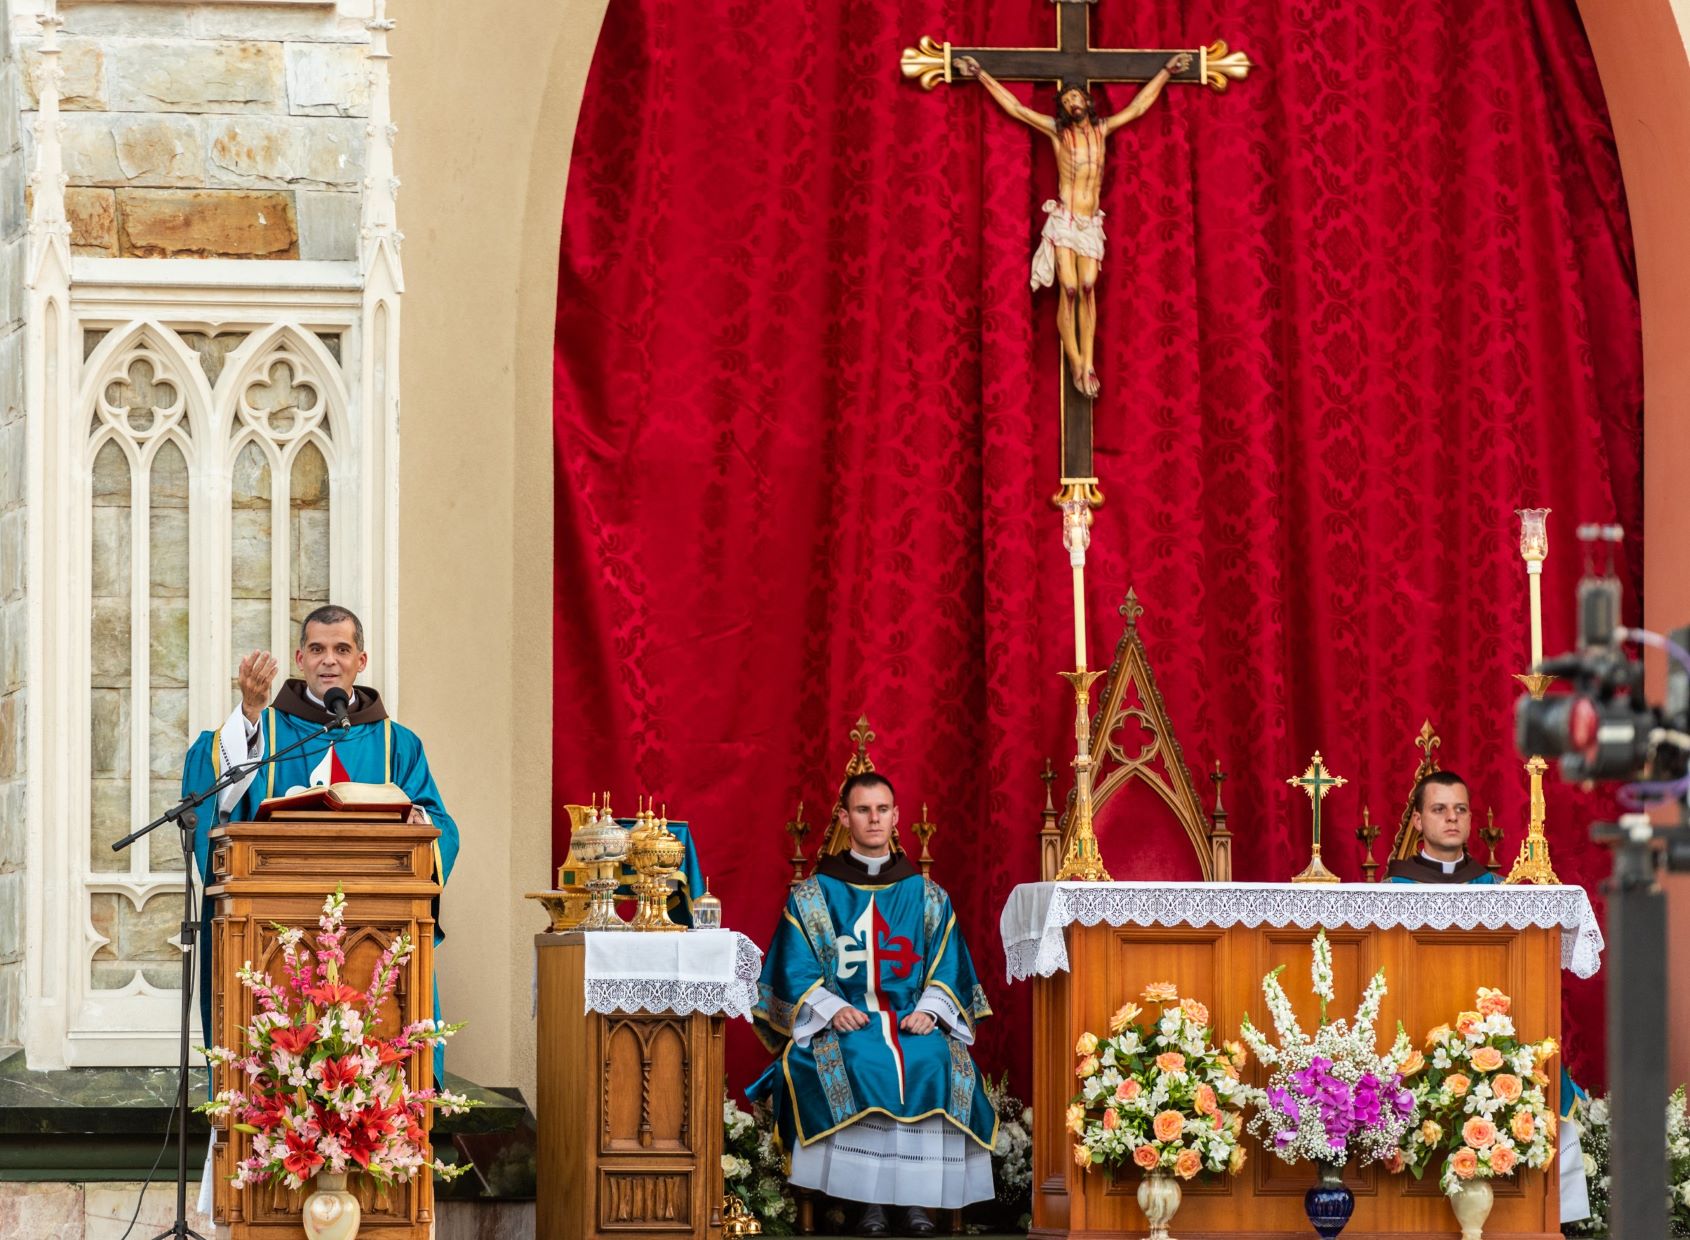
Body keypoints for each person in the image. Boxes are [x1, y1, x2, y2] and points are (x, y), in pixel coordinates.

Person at [180, 604, 461, 1082]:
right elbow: (212, 791)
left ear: (361, 660)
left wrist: (417, 820)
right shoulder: (266, 730)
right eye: (317, 649)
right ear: (300, 658)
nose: (329, 660)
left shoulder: (396, 742)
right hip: (276, 929)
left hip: (373, 923)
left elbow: (440, 827)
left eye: (341, 649)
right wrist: (248, 713)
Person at [749, 773, 996, 1237]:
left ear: (897, 816)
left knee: (933, 1057)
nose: (874, 818)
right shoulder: (814, 895)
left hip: (913, 1020)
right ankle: (870, 1205)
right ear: (845, 817)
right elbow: (793, 968)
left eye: (883, 809)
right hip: (846, 1024)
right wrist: (826, 1006)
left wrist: (933, 1008)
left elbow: (950, 966)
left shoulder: (927, 895)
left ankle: (920, 1204)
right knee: (863, 1056)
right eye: (863, 810)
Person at [957, 52, 1192, 398]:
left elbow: (1139, 107)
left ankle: (1089, 361)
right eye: (1066, 100)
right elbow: (1017, 109)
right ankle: (1077, 360)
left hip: (1089, 222)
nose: (1071, 103)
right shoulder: (1057, 133)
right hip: (1065, 219)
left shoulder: (1102, 129)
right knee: (1067, 287)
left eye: (1075, 97)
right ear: (1063, 108)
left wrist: (1166, 72)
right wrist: (981, 75)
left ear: (1086, 101)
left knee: (1086, 285)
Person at [1385, 770, 1502, 884]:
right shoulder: (1393, 889)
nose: (1452, 817)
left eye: (1461, 809)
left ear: (1469, 819)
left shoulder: (1496, 887)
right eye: (1439, 809)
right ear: (1418, 821)